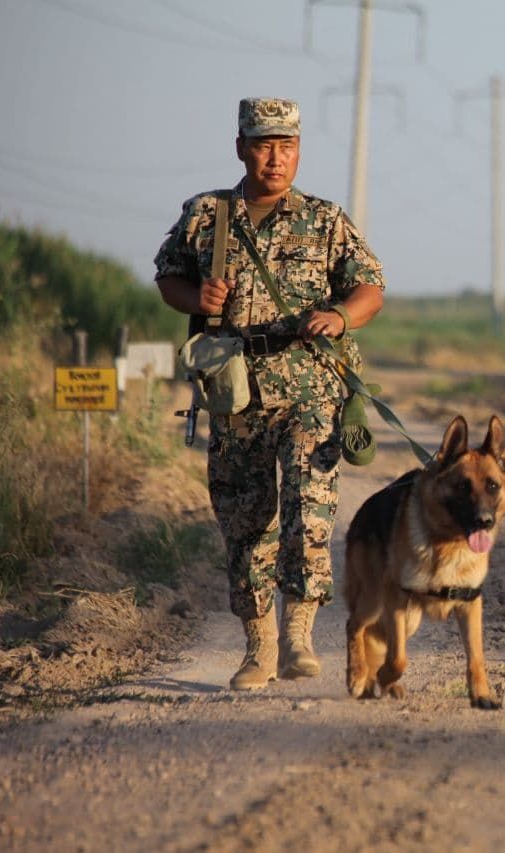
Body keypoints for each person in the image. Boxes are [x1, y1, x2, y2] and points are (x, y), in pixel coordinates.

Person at [155, 98, 385, 689]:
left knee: (309, 507)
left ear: (299, 151)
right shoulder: (207, 214)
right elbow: (168, 277)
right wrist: (195, 299)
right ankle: (258, 647)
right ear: (240, 147)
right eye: (263, 144)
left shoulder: (325, 219)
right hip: (235, 392)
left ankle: (299, 638)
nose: (275, 158)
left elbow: (370, 288)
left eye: (286, 145)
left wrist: (339, 315)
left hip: (311, 387)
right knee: (244, 518)